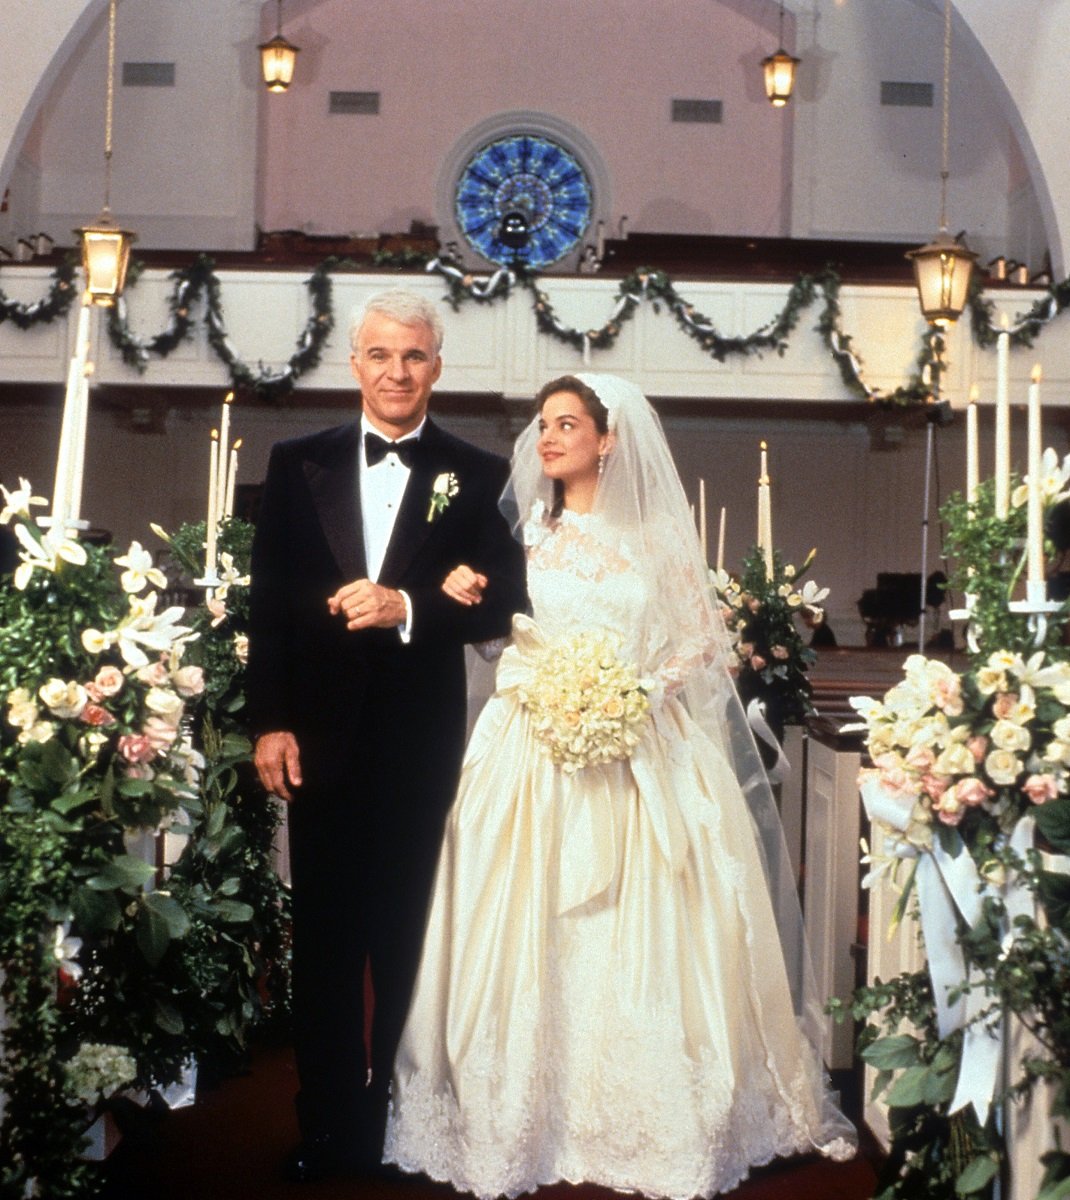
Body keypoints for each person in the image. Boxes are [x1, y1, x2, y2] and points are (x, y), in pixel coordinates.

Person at [386, 373, 856, 1199]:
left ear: (609, 439)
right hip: (532, 747)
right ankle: (518, 1110)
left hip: (642, 743)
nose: (549, 437)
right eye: (543, 424)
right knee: (520, 916)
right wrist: (493, 629)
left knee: (655, 924)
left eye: (568, 423)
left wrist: (633, 695)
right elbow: (496, 640)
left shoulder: (657, 542)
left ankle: (661, 1110)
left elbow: (698, 644)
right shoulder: (523, 537)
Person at [247, 288, 527, 1183]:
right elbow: (269, 608)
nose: (396, 372)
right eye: (379, 355)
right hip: (317, 742)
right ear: (354, 363)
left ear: (436, 367)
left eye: (413, 356)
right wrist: (270, 721)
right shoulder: (296, 464)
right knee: (325, 942)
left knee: (411, 936)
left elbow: (508, 600)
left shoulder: (478, 475)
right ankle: (327, 1129)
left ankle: (403, 1128)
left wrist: (407, 605)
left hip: (420, 745)